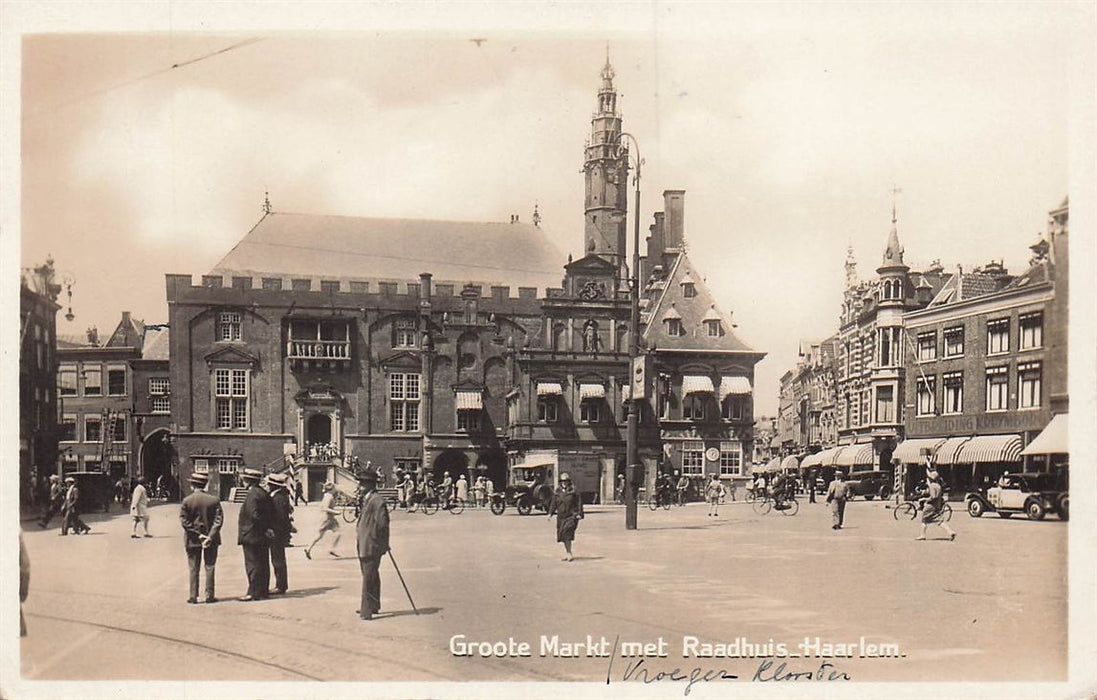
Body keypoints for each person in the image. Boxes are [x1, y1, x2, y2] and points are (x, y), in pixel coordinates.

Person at [179, 471, 223, 604]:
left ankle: (193, 596)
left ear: (192, 485)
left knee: (193, 567)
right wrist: (210, 536)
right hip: (211, 539)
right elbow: (218, 520)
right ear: (205, 484)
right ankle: (209, 595)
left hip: (193, 539)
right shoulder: (214, 500)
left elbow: (184, 522)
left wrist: (199, 535)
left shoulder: (187, 501)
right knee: (210, 566)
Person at [355, 466, 390, 620]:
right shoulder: (368, 498)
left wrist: (382, 543)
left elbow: (383, 524)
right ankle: (374, 605)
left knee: (368, 577)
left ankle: (366, 610)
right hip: (365, 543)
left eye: (362, 484)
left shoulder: (377, 501)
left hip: (371, 544)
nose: (359, 486)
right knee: (372, 575)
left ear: (370, 485)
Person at [236, 468, 275, 601]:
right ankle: (263, 591)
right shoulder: (264, 493)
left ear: (248, 481)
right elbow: (271, 513)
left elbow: (254, 514)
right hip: (262, 535)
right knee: (263, 563)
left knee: (252, 564)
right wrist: (268, 528)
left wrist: (263, 527)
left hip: (252, 534)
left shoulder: (252, 494)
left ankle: (253, 592)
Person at [267, 473, 295, 595]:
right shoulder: (280, 496)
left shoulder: (278, 498)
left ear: (273, 485)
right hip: (279, 532)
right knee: (278, 558)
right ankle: (281, 584)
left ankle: (280, 585)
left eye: (269, 484)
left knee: (277, 559)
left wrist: (274, 530)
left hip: (277, 533)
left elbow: (280, 517)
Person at [548, 473, 584, 561]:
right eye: (562, 481)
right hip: (561, 516)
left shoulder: (573, 490)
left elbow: (579, 502)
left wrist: (579, 513)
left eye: (566, 481)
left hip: (571, 515)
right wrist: (550, 513)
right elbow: (554, 503)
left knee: (567, 533)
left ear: (569, 482)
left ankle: (569, 553)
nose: (564, 483)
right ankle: (567, 552)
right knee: (562, 535)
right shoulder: (557, 491)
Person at [917, 470, 957, 541]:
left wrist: (924, 499)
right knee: (939, 520)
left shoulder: (932, 486)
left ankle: (922, 535)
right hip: (937, 505)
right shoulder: (938, 486)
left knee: (924, 520)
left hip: (930, 506)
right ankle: (950, 532)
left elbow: (933, 497)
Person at [306, 482, 342, 559]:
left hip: (329, 518)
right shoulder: (329, 497)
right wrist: (336, 512)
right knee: (322, 535)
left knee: (334, 533)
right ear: (331, 489)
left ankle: (309, 549)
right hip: (327, 519)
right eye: (334, 488)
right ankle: (330, 548)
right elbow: (325, 508)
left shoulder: (327, 496)